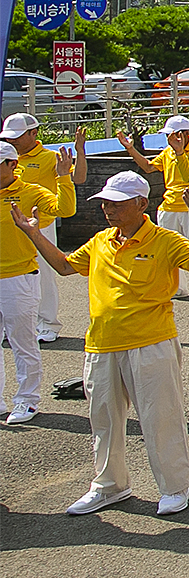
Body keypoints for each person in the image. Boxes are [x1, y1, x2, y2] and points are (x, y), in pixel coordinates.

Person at [13, 170, 189, 515]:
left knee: (160, 417)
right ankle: (110, 486)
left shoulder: (165, 240)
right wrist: (33, 234)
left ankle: (175, 487)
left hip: (151, 343)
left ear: (140, 204)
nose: (107, 208)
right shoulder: (101, 240)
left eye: (116, 203)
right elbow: (63, 267)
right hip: (101, 345)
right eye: (105, 202)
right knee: (103, 421)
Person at [0, 138, 76, 423]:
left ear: (12, 165)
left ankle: (27, 400)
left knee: (22, 342)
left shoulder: (30, 192)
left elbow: (65, 210)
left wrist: (64, 176)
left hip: (18, 277)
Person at [2, 116, 82, 345]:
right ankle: (13, 325)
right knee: (11, 280)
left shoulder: (50, 157)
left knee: (43, 277)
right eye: (9, 137)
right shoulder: (5, 155)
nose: (12, 141)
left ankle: (47, 323)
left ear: (34, 133)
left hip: (40, 227)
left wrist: (79, 154)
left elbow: (78, 178)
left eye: (16, 136)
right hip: (8, 228)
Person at [118, 116, 189, 298]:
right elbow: (148, 167)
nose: (169, 139)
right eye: (168, 135)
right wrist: (130, 149)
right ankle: (176, 288)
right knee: (168, 250)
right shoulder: (167, 152)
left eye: (172, 134)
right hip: (169, 207)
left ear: (185, 134)